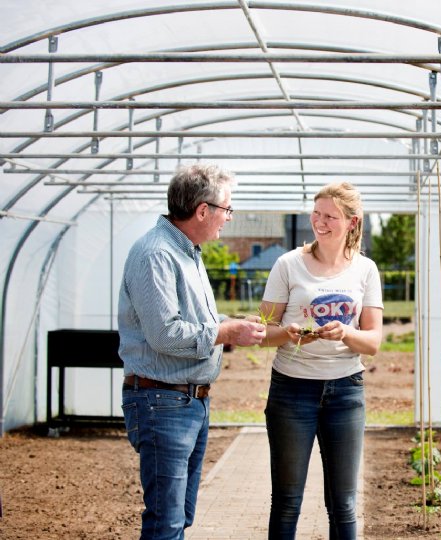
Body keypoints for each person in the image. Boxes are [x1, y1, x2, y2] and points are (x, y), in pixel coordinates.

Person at [118, 163, 266, 540]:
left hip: (188, 402)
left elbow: (192, 321)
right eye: (227, 209)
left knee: (178, 516)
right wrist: (224, 331)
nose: (228, 219)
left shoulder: (188, 252)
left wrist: (229, 324)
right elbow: (166, 334)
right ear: (204, 210)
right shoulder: (157, 254)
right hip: (162, 401)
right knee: (165, 521)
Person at [259, 182, 383, 539]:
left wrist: (345, 333)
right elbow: (263, 332)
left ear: (352, 222)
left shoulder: (365, 270)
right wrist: (288, 333)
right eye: (316, 213)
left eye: (330, 216)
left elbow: (373, 341)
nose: (320, 221)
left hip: (346, 393)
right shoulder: (287, 265)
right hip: (291, 392)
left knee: (343, 504)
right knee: (286, 501)